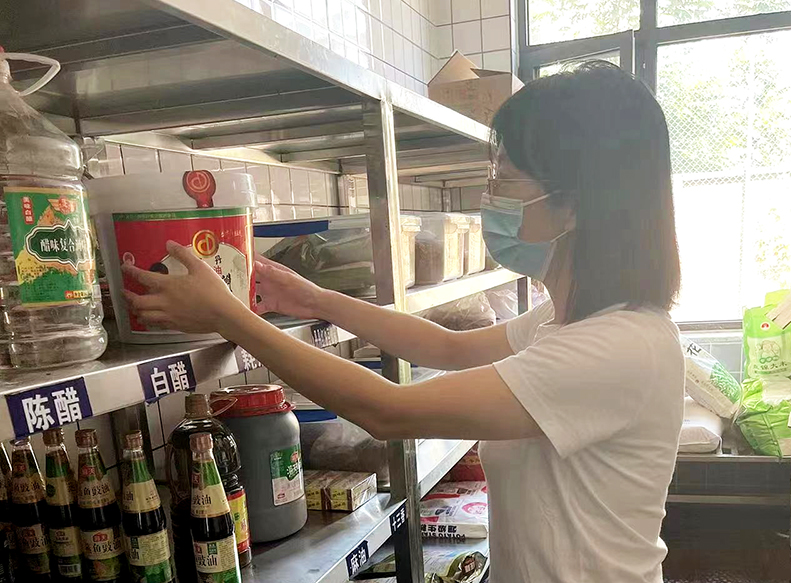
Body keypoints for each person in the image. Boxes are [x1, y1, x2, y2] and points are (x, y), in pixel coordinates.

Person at [123, 61, 684, 583]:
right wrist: (320, 300)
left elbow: (387, 411)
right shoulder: (568, 320)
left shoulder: (617, 347)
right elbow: (447, 346)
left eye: (505, 181)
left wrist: (228, 317)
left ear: (576, 203)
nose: (490, 198)